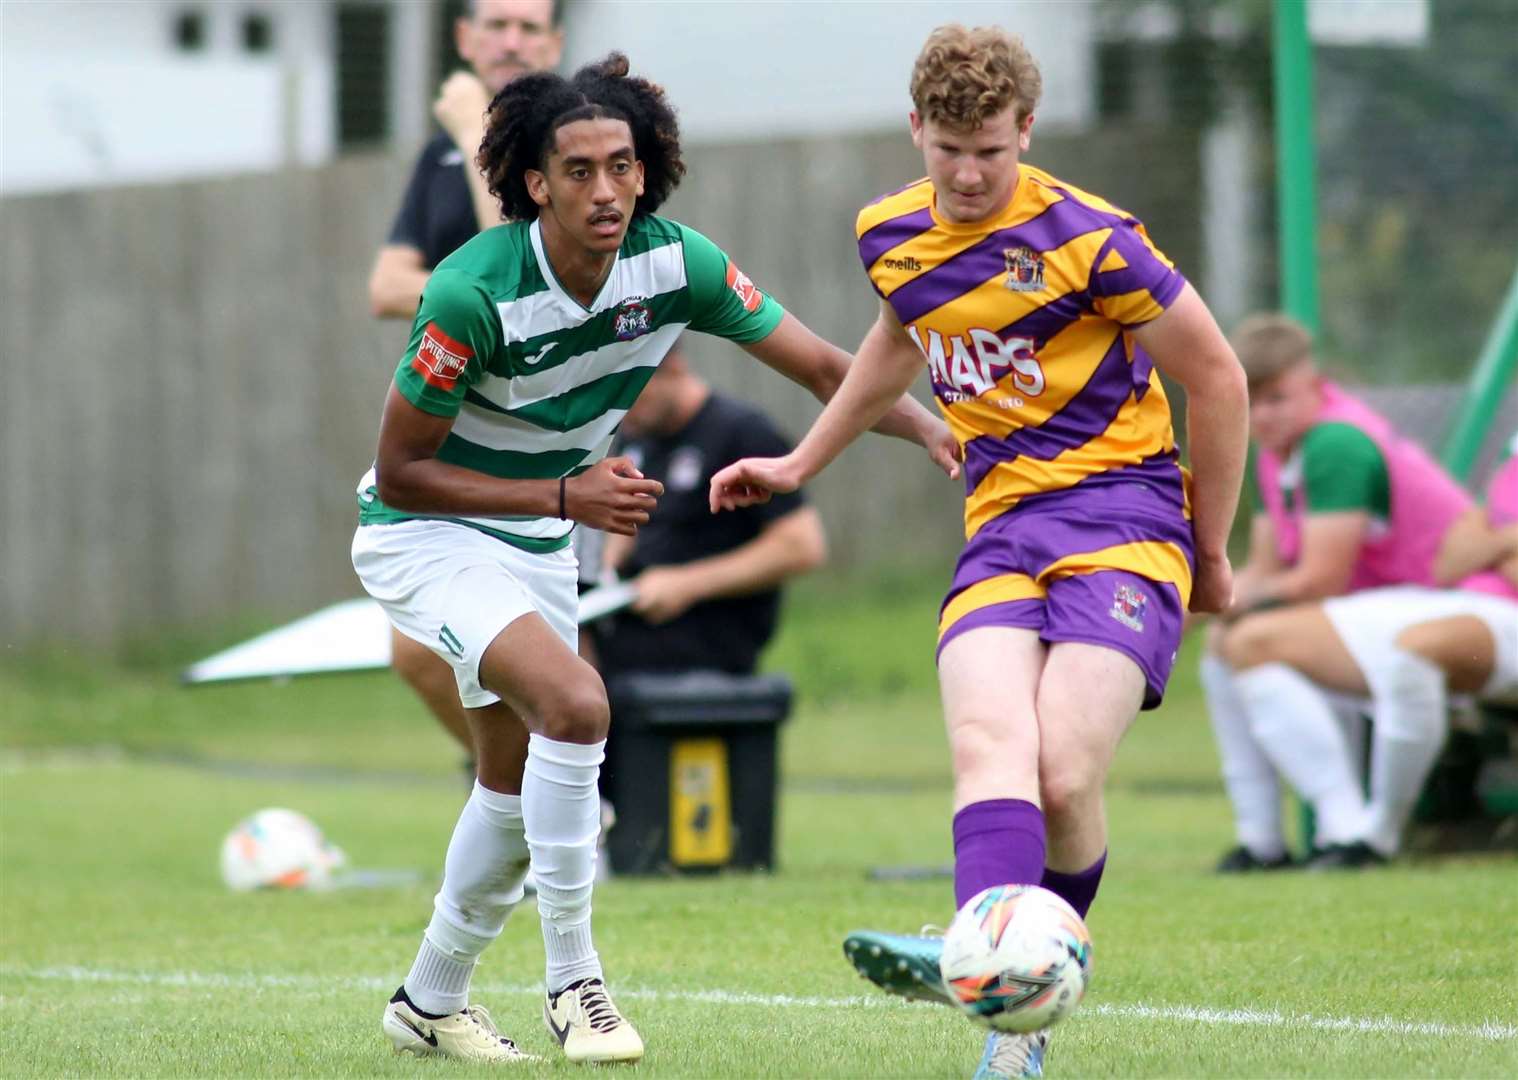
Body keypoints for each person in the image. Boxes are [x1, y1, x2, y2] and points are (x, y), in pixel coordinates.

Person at [352, 53, 957, 1064]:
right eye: (578, 170)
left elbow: (821, 368)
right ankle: (574, 985)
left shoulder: (680, 266)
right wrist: (564, 492)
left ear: (646, 169)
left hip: (541, 533)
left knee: (508, 786)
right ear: (534, 182)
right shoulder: (469, 294)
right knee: (580, 707)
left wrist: (938, 431)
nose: (604, 189)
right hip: (428, 534)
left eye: (620, 166)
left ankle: (429, 998)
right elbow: (402, 473)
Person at [708, 25, 1247, 1080]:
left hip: (1123, 521)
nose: (965, 173)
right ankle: (999, 982)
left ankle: (1013, 977)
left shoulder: (1095, 241)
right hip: (1000, 526)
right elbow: (894, 343)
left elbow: (1219, 379)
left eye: (990, 151)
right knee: (987, 743)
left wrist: (1212, 551)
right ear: (916, 128)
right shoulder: (890, 234)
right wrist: (800, 462)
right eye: (947, 146)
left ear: (1026, 134)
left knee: (1060, 770)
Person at [1199, 314, 1473, 872]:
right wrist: (1187, 608)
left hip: (1456, 604)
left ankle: (1347, 829)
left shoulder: (1334, 444)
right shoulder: (1282, 454)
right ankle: (1262, 841)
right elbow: (1267, 569)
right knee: (1224, 645)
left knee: (1253, 641)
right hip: (1394, 610)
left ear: (1315, 383)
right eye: (1255, 402)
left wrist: (1220, 609)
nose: (1266, 416)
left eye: (1279, 397)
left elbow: (1320, 580)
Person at [368, 0, 565, 758]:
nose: (509, 40)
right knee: (422, 654)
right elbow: (385, 285)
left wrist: (478, 130)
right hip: (453, 435)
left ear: (554, 42)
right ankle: (535, 800)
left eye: (527, 27)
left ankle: (566, 806)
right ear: (463, 38)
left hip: (546, 433)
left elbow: (518, 270)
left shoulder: (569, 141)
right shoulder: (443, 153)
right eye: (495, 24)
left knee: (541, 652)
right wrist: (468, 308)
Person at [1213, 439, 1518, 868]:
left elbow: (1480, 545)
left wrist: (1492, 542)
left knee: (1414, 652)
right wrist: (1507, 541)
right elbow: (1452, 559)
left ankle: (1381, 835)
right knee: (1246, 641)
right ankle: (1341, 829)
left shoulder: (1342, 438)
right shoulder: (1513, 462)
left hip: (1500, 616)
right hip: (1460, 601)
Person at [595, 343, 827, 679]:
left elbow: (802, 546)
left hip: (710, 633)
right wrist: (611, 559)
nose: (622, 415)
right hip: (635, 615)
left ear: (672, 369)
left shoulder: (742, 432)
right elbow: (636, 527)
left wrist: (685, 585)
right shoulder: (639, 436)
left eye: (629, 398)